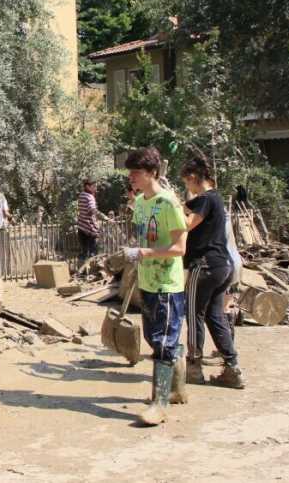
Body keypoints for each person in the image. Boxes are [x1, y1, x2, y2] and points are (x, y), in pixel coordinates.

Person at [122, 147, 188, 427]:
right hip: (147, 281)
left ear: (152, 173)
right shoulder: (140, 203)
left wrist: (145, 254)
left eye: (136, 172)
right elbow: (141, 237)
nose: (131, 177)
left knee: (161, 343)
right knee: (155, 338)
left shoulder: (169, 203)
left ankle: (159, 404)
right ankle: (178, 370)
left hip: (167, 286)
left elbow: (179, 248)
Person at [179, 155, 244, 389]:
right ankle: (232, 367)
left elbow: (186, 223)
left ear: (194, 178)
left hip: (204, 265)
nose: (187, 188)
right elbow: (185, 207)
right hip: (222, 266)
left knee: (194, 312)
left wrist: (174, 211)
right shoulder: (213, 199)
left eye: (187, 182)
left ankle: (194, 366)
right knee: (214, 316)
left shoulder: (206, 198)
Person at [77, 179, 110, 264]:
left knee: (83, 252)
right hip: (90, 228)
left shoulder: (81, 195)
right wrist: (105, 217)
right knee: (93, 252)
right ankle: (92, 272)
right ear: (87, 186)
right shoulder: (89, 196)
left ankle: (81, 272)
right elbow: (93, 210)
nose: (96, 188)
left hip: (81, 226)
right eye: (94, 186)